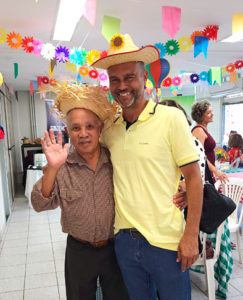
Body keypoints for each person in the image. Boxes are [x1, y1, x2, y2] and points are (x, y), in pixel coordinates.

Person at [92, 33, 203, 300]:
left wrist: (191, 236)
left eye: (129, 77)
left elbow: (194, 177)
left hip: (168, 241)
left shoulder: (171, 118)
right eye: (115, 80)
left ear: (144, 78)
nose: (122, 86)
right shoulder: (109, 128)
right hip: (125, 241)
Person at [31, 84, 129, 300]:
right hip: (79, 250)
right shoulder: (62, 165)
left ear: (100, 128)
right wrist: (53, 168)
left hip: (115, 248)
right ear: (68, 132)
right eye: (76, 128)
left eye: (89, 127)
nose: (83, 134)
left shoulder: (116, 161)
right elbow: (39, 204)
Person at [160, 99, 233, 299]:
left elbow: (194, 174)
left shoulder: (188, 141)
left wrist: (186, 188)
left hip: (185, 218)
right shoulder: (191, 136)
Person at [191, 100, 228, 183]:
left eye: (212, 111)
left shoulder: (204, 129)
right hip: (204, 172)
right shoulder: (199, 131)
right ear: (200, 116)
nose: (212, 114)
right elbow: (201, 156)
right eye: (208, 112)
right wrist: (216, 171)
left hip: (208, 171)